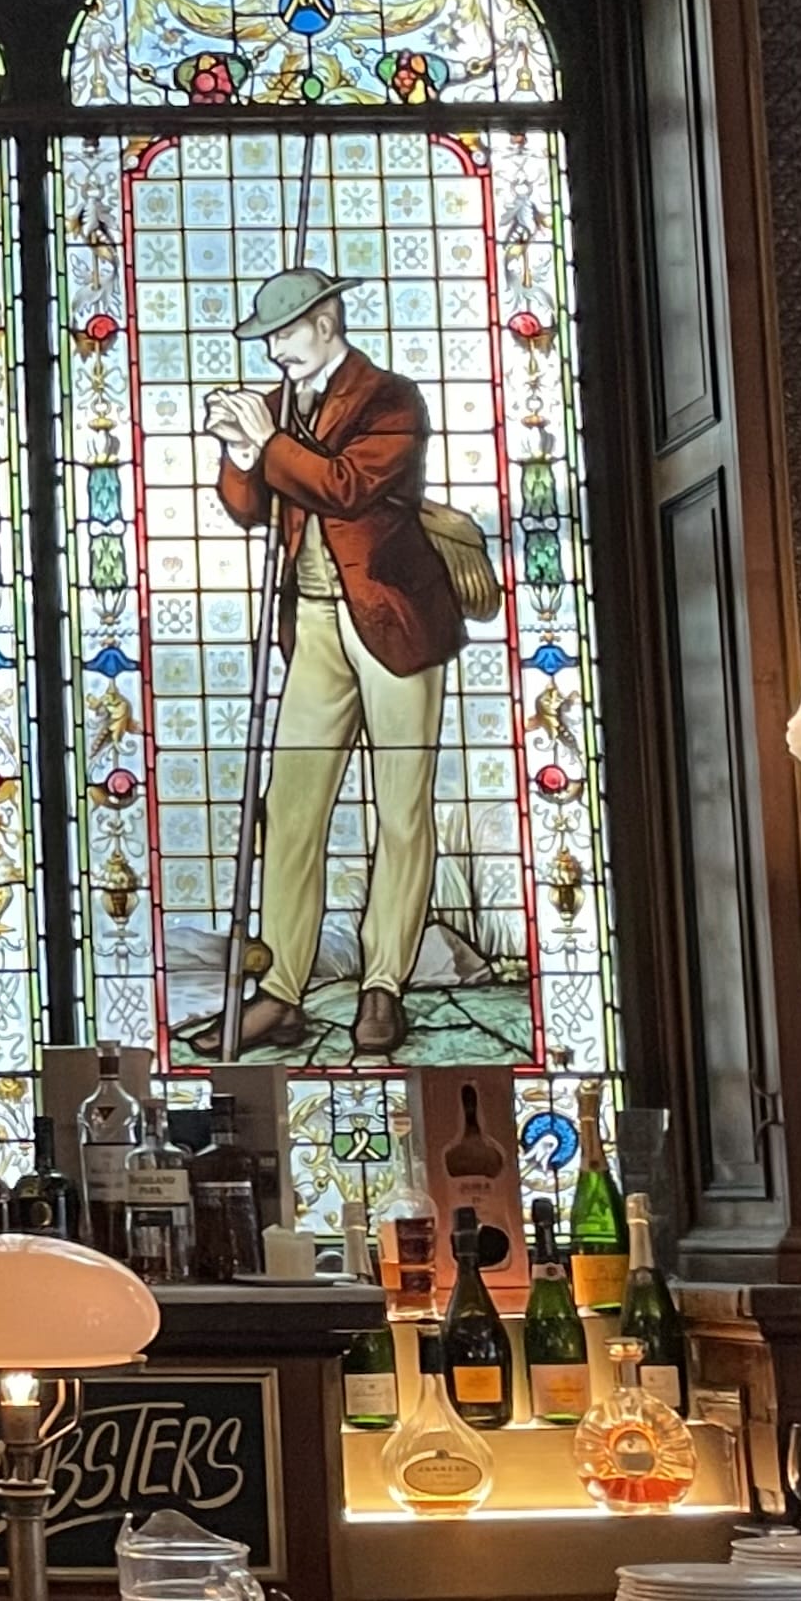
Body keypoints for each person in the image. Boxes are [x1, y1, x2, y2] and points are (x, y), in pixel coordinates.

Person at [197, 267, 465, 1059]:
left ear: (327, 320)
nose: (276, 351)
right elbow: (251, 510)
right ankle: (281, 989)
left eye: (285, 333)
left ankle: (384, 983)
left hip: (393, 621)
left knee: (401, 808)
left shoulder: (390, 398)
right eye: (267, 338)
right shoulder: (277, 409)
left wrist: (270, 444)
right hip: (312, 620)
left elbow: (346, 489)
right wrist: (241, 452)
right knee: (291, 806)